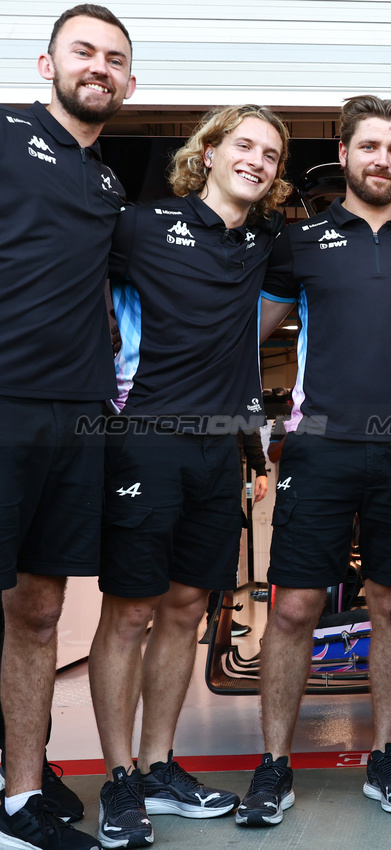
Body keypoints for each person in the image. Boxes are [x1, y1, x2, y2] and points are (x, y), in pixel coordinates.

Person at [238, 94, 391, 826]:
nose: (382, 161)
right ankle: (274, 764)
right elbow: (250, 331)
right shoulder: (298, 242)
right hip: (321, 446)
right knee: (296, 606)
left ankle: (385, 755)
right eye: (370, 147)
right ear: (343, 154)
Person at [84, 104, 294, 848]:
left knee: (183, 611)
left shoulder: (267, 241)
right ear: (207, 152)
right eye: (244, 144)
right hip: (144, 441)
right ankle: (115, 781)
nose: (257, 160)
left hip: (217, 451)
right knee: (130, 612)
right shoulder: (141, 225)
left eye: (270, 153)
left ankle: (156, 768)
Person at [0, 6, 134, 848]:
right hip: (3, 401)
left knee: (41, 611)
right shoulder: (5, 134)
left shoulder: (109, 184)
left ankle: (21, 795)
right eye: (83, 51)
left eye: (115, 59)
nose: (100, 67)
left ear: (129, 82)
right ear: (47, 65)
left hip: (78, 415)